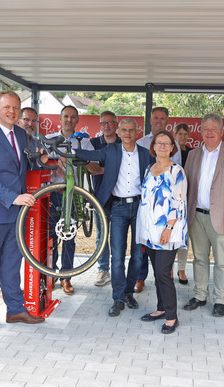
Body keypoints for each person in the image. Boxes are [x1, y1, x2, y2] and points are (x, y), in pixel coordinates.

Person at [0, 90, 45, 336]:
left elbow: (25, 166)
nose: (12, 112)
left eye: (16, 108)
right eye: (7, 108)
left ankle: (15, 309)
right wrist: (13, 197)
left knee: (13, 264)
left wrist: (43, 160)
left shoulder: (22, 134)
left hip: (17, 214)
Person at [74, 119, 152, 317]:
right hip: (117, 207)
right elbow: (89, 155)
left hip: (139, 208)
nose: (127, 133)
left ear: (137, 132)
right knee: (117, 255)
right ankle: (117, 298)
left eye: (131, 130)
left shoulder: (145, 154)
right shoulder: (111, 150)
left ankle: (128, 292)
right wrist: (68, 151)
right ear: (119, 131)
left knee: (137, 255)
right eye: (124, 130)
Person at [182, 114, 224, 317]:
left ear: (221, 131)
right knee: (199, 259)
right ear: (201, 131)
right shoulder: (193, 154)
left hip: (222, 217)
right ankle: (200, 295)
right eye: (205, 129)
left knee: (221, 261)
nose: (209, 133)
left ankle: (219, 300)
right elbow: (184, 186)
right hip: (196, 216)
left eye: (213, 129)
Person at [136, 130, 187, 334]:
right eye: (159, 143)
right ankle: (160, 308)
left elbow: (179, 203)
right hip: (150, 230)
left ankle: (172, 316)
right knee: (157, 272)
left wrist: (169, 227)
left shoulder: (177, 171)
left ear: (172, 147)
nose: (163, 146)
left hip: (168, 230)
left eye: (167, 143)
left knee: (164, 273)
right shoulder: (150, 168)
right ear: (154, 146)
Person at [46, 105, 96, 294]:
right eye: (66, 116)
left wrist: (80, 159)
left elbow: (92, 165)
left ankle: (66, 277)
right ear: (60, 118)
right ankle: (50, 274)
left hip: (73, 195)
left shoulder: (84, 142)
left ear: (77, 120)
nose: (69, 120)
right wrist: (55, 160)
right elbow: (39, 161)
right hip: (51, 194)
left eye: (73, 117)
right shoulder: (49, 139)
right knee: (49, 236)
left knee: (69, 237)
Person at [135, 107, 182, 292]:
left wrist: (170, 225)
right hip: (149, 213)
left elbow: (177, 187)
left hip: (166, 217)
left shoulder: (174, 149)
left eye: (163, 118)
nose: (159, 121)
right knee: (145, 252)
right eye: (156, 118)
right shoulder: (140, 143)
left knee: (163, 268)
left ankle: (167, 302)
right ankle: (141, 279)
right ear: (151, 120)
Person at [89, 111, 121, 287]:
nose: (107, 126)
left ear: (116, 125)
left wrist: (101, 167)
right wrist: (108, 170)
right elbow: (89, 167)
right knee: (101, 236)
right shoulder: (94, 143)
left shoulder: (122, 142)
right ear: (100, 126)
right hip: (99, 198)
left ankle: (117, 271)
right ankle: (103, 270)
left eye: (110, 123)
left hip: (118, 199)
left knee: (117, 238)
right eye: (103, 123)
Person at [173, 122, 193, 285]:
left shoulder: (192, 153)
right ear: (175, 135)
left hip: (187, 198)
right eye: (180, 133)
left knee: (184, 237)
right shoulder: (169, 152)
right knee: (171, 234)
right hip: (172, 200)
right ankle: (168, 269)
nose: (183, 137)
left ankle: (181, 270)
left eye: (185, 134)